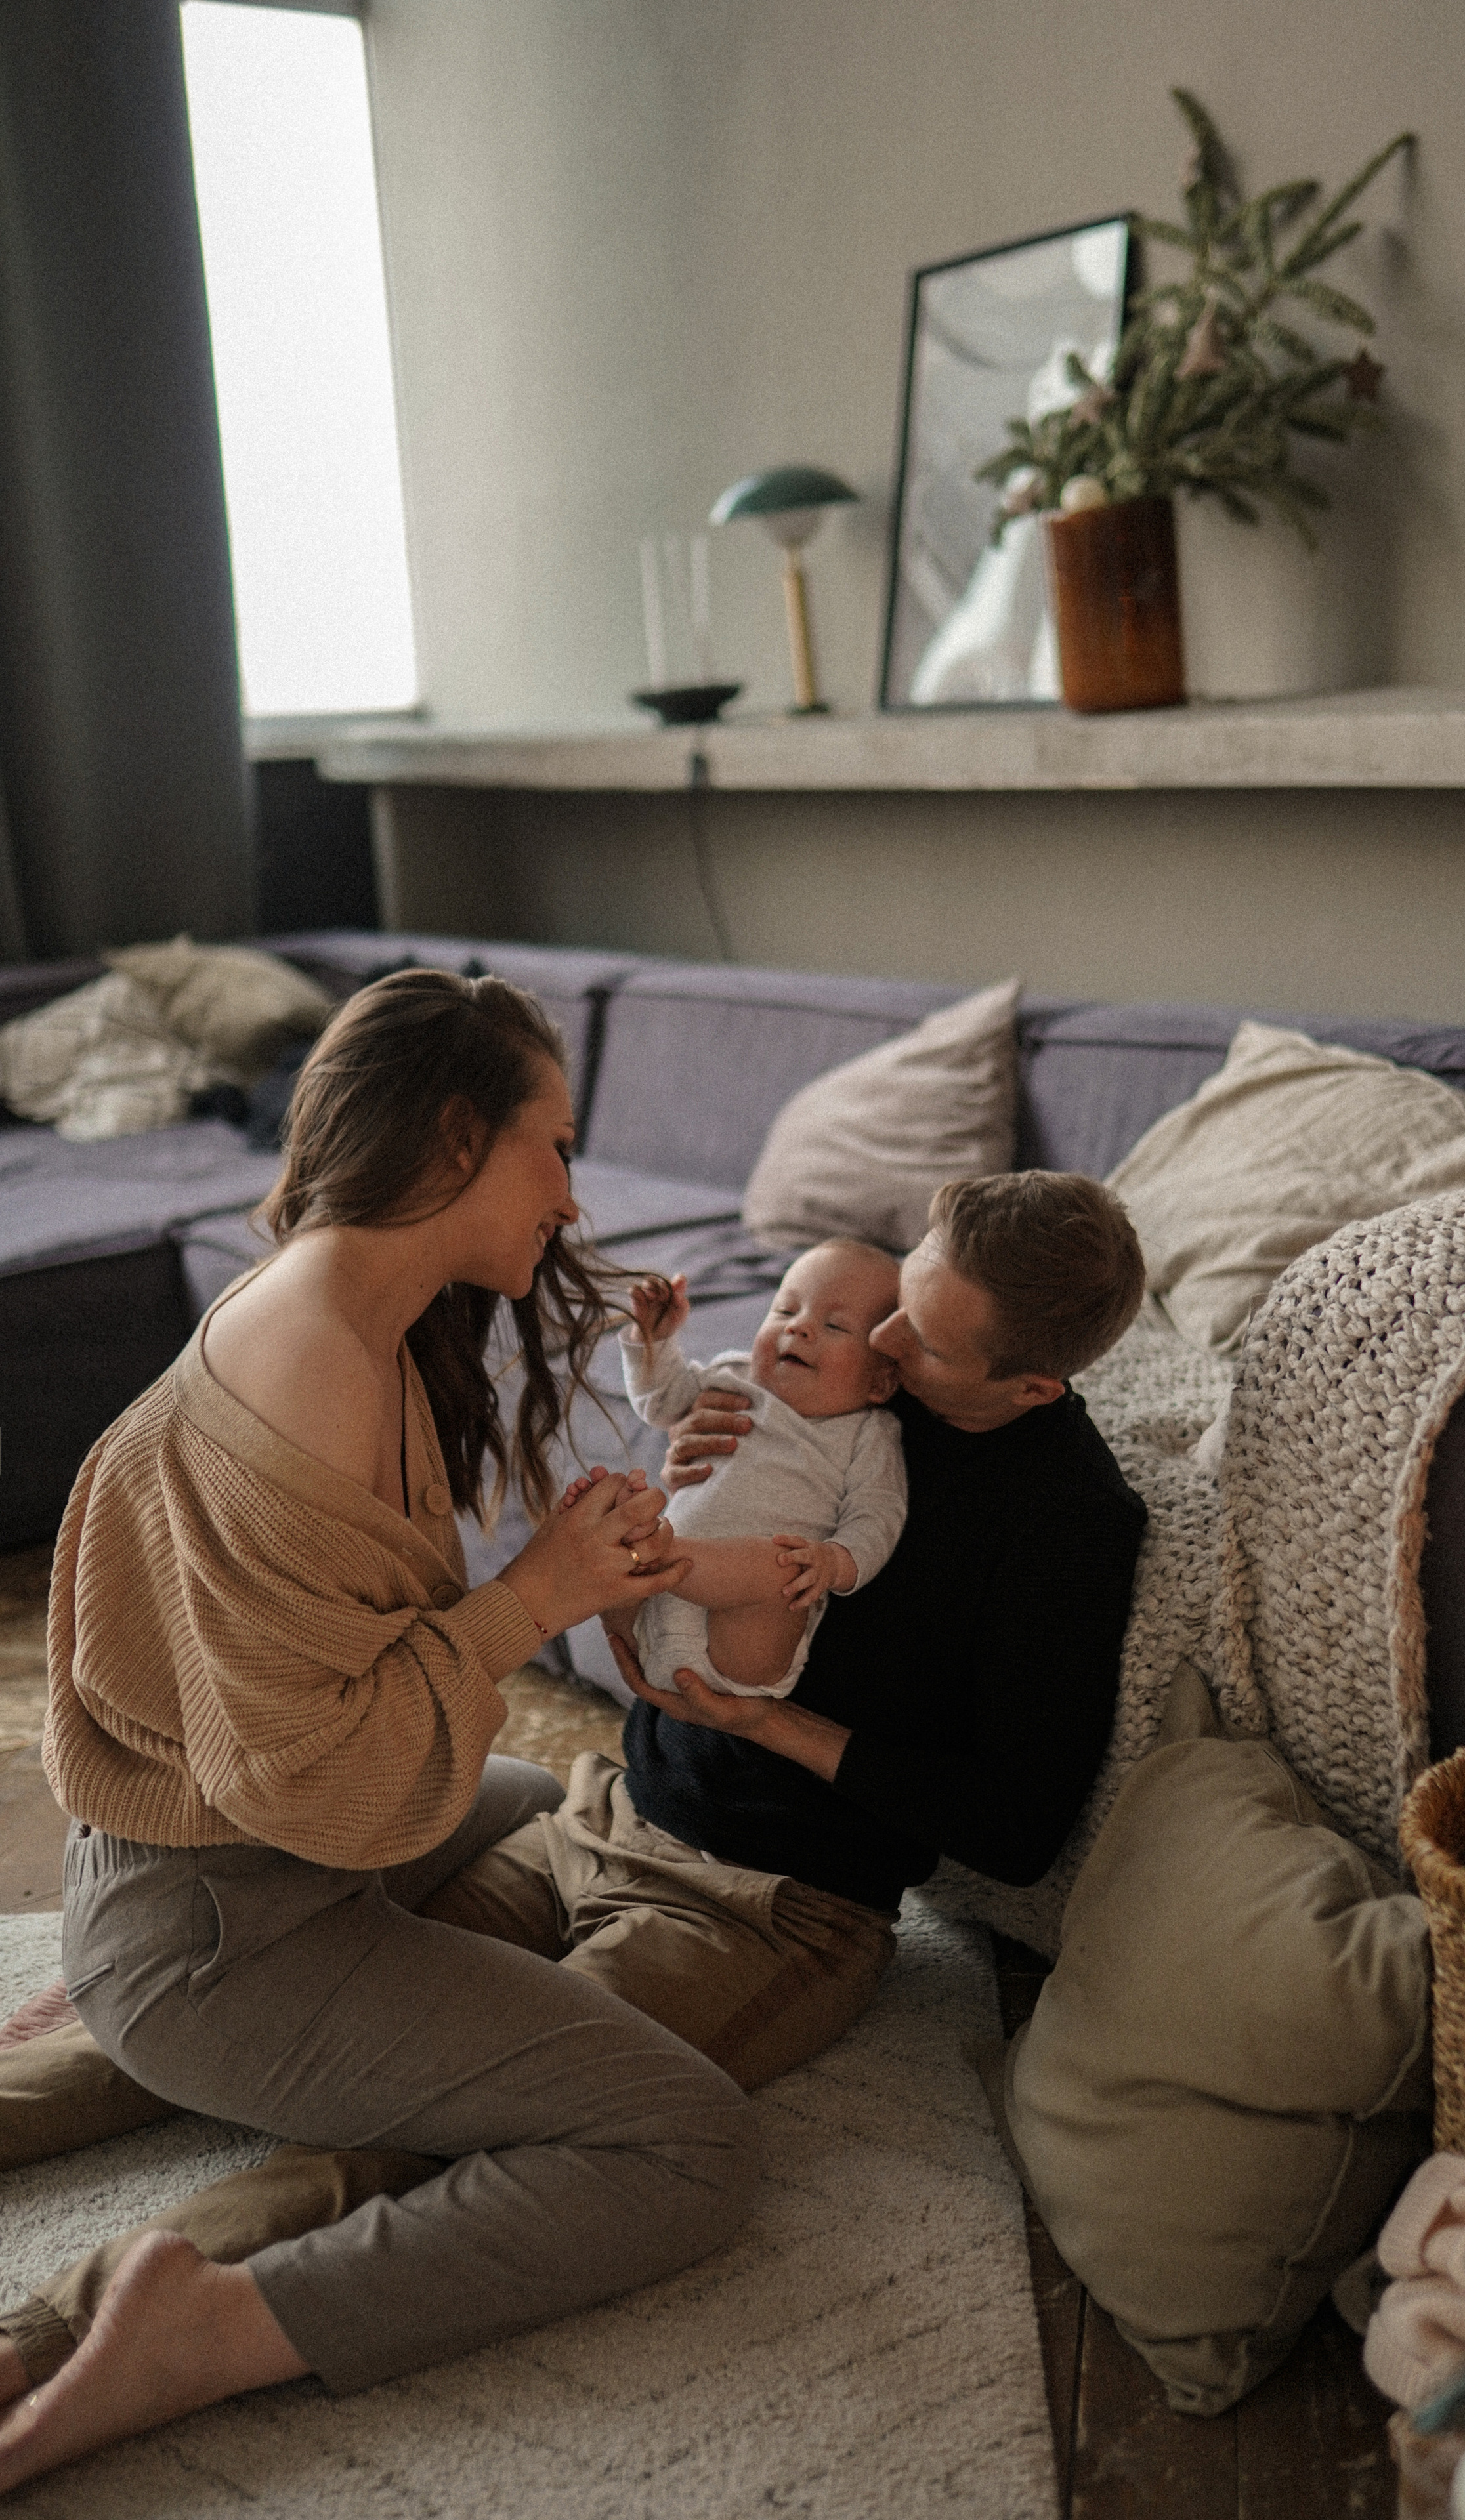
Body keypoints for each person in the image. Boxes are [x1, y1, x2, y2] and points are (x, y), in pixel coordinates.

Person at [0, 1166, 1149, 2426]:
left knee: (431, 2131)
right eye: (893, 1302)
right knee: (319, 2000)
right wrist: (686, 1468)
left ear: (1033, 1384)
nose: (873, 1342)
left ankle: (51, 2340)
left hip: (766, 1907)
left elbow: (1018, 1827)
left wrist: (777, 1726)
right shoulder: (856, 1379)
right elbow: (706, 1514)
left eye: (918, 1338)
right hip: (601, 1810)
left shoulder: (1070, 1524)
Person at [0, 970, 760, 2493]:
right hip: (227, 1918)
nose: (568, 1188)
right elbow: (325, 1777)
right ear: (450, 1139)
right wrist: (536, 1594)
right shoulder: (312, 1367)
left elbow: (346, 1662)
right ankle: (210, 2325)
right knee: (686, 2140)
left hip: (205, 1869)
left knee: (538, 1788)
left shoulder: (346, 1298)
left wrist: (578, 1539)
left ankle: (123, 2042)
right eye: (551, 1145)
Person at [616, 1239, 905, 1698]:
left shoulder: (867, 1434)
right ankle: (627, 1562)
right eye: (785, 1311)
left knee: (782, 1567)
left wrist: (836, 1562)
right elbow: (662, 1401)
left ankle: (657, 1550)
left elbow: (878, 1515)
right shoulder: (733, 1375)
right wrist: (652, 1341)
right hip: (653, 1622)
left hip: (745, 1648)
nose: (801, 1328)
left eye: (834, 1326)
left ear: (881, 1381)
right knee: (606, 1507)